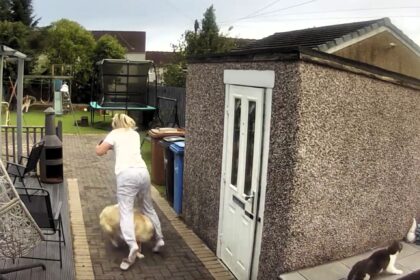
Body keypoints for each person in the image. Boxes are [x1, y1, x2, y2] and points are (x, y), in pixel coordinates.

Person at [95, 113, 164, 270]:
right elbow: (123, 147)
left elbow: (100, 151)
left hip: (127, 175)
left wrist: (99, 146)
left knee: (125, 211)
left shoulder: (114, 133)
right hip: (143, 173)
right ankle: (159, 238)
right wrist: (111, 147)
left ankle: (132, 245)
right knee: (148, 208)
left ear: (115, 124)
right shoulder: (134, 134)